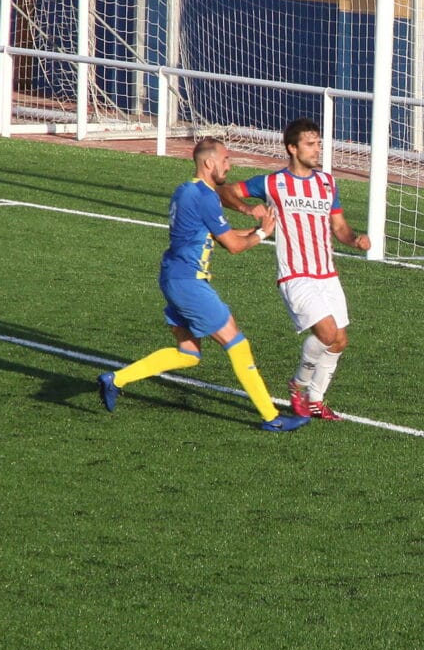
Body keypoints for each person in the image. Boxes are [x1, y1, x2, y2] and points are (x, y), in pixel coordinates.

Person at [97, 138, 309, 432]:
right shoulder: (205, 197)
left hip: (173, 276)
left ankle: (115, 379)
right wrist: (261, 236)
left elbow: (216, 236)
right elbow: (233, 246)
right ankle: (271, 418)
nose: (228, 165)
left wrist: (262, 229)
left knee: (188, 353)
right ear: (209, 163)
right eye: (225, 159)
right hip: (189, 283)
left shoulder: (186, 191)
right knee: (237, 343)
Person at [218, 117, 371, 421]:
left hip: (327, 274)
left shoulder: (327, 183)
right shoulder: (272, 183)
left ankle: (316, 398)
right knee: (326, 332)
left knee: (340, 340)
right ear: (292, 147)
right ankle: (297, 386)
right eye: (311, 144)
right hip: (295, 274)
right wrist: (249, 209)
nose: (318, 150)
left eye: (319, 144)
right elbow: (226, 192)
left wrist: (355, 240)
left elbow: (339, 227)